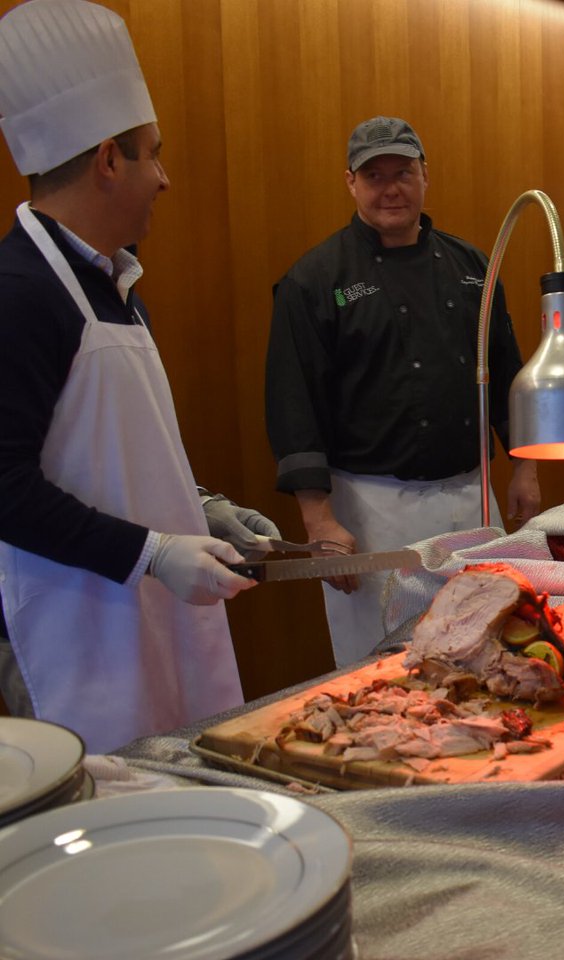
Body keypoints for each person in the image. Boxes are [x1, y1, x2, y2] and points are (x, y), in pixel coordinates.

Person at [0, 0, 280, 753]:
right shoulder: (19, 293)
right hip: (75, 634)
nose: (164, 178)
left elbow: (114, 458)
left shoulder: (117, 289)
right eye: (152, 154)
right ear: (106, 160)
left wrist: (201, 509)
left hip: (150, 623)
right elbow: (4, 486)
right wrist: (152, 553)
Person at [266, 116, 541, 666]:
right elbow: (294, 404)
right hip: (371, 512)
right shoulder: (315, 280)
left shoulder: (472, 268)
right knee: (384, 662)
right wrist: (318, 520)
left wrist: (525, 467)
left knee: (486, 648)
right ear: (351, 183)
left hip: (472, 496)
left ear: (425, 176)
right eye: (374, 176)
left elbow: (510, 372)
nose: (390, 188)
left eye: (403, 172)